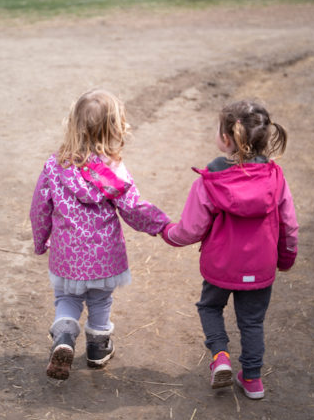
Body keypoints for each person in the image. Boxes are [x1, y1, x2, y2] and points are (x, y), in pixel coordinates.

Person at [161, 100, 298, 399]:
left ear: (226, 139)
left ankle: (220, 355)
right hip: (261, 266)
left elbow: (191, 229)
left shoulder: (210, 182)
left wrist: (167, 233)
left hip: (220, 266)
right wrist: (285, 259)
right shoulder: (276, 179)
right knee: (252, 321)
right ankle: (252, 380)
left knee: (210, 307)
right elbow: (289, 225)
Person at [30, 89, 169, 380]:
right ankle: (97, 349)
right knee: (100, 300)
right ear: (114, 128)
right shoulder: (113, 169)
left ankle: (64, 338)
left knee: (66, 298)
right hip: (104, 256)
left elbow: (40, 208)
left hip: (67, 255)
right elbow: (133, 207)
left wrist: (41, 240)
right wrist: (162, 226)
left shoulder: (55, 166)